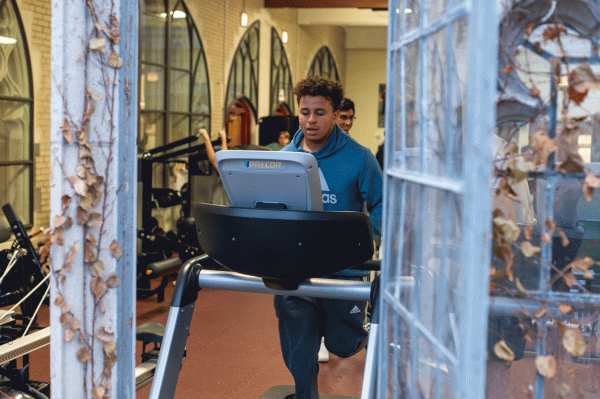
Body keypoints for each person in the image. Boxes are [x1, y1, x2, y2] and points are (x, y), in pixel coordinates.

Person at [274, 76, 383, 399]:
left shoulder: (360, 158)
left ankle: (359, 330)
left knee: (343, 345)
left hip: (344, 270)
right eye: (305, 112)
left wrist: (362, 238)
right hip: (297, 268)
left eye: (320, 112)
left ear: (337, 115)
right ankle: (305, 394)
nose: (310, 120)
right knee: (300, 342)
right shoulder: (284, 157)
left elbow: (382, 205)